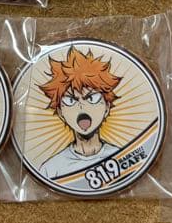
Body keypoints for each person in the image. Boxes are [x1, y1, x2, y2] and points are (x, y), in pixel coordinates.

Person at [36, 47, 121, 180]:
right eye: (71, 101)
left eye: (91, 98)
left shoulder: (121, 158)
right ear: (60, 113)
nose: (82, 107)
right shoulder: (50, 169)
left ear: (107, 107)